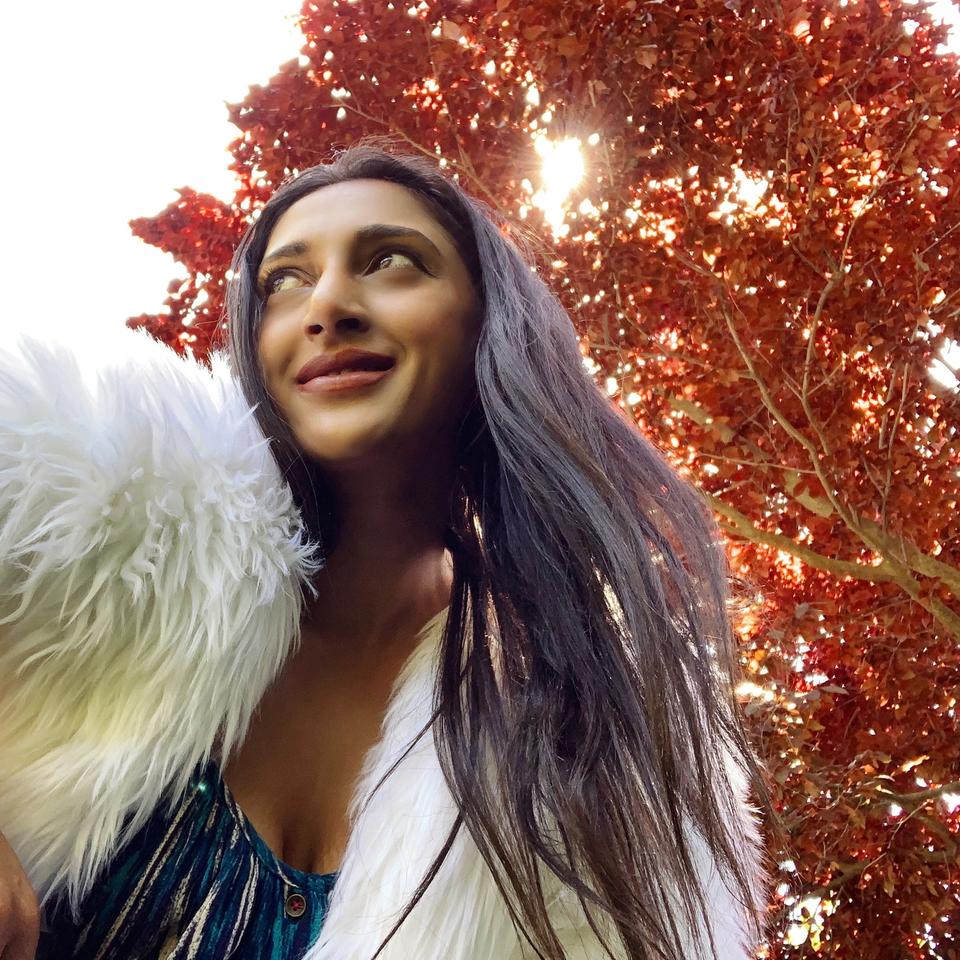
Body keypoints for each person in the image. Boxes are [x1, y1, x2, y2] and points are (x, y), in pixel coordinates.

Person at [0, 141, 772, 959]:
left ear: (488, 322)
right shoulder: (107, 508)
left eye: (391, 261)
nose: (325, 306)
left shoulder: (605, 739)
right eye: (284, 281)